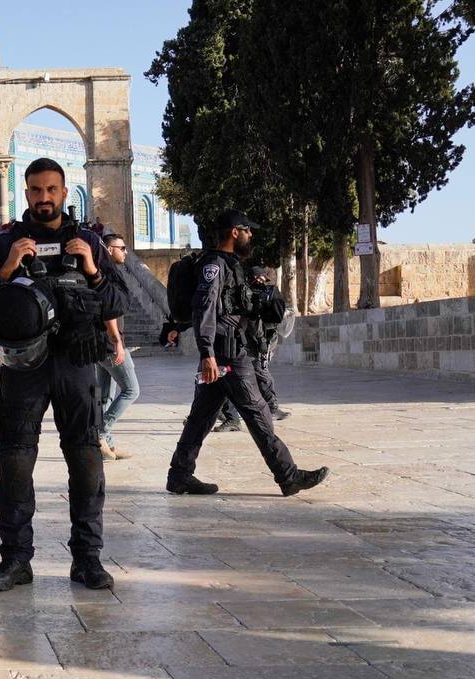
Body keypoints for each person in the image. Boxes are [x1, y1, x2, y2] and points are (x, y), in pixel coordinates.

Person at [0, 157, 128, 593]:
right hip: (25, 368)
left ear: (64, 193)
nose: (43, 198)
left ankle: (87, 559)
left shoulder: (87, 240)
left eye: (51, 190)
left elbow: (118, 302)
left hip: (76, 364)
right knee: (15, 461)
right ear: (27, 193)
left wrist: (92, 268)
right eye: (36, 191)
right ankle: (16, 560)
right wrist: (7, 268)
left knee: (86, 461)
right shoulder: (5, 244)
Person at [168, 209, 328, 498]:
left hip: (225, 352)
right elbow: (205, 307)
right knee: (258, 413)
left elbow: (231, 305)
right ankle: (288, 476)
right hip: (226, 354)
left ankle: (179, 475)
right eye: (247, 230)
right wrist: (207, 353)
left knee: (201, 417)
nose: (250, 235)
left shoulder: (232, 265)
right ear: (234, 232)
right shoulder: (214, 265)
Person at [96, 233, 139, 460]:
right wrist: (117, 342)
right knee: (132, 390)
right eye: (121, 247)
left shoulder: (99, 272)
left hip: (100, 345)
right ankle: (100, 433)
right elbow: (108, 311)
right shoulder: (107, 275)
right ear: (109, 249)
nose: (125, 252)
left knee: (104, 397)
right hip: (109, 343)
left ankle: (107, 447)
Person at [248, 266, 291, 421]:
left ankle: (271, 407)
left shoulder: (271, 292)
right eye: (256, 277)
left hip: (264, 340)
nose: (259, 281)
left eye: (262, 278)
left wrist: (263, 307)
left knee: (261, 371)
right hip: (246, 340)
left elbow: (278, 315)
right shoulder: (244, 293)